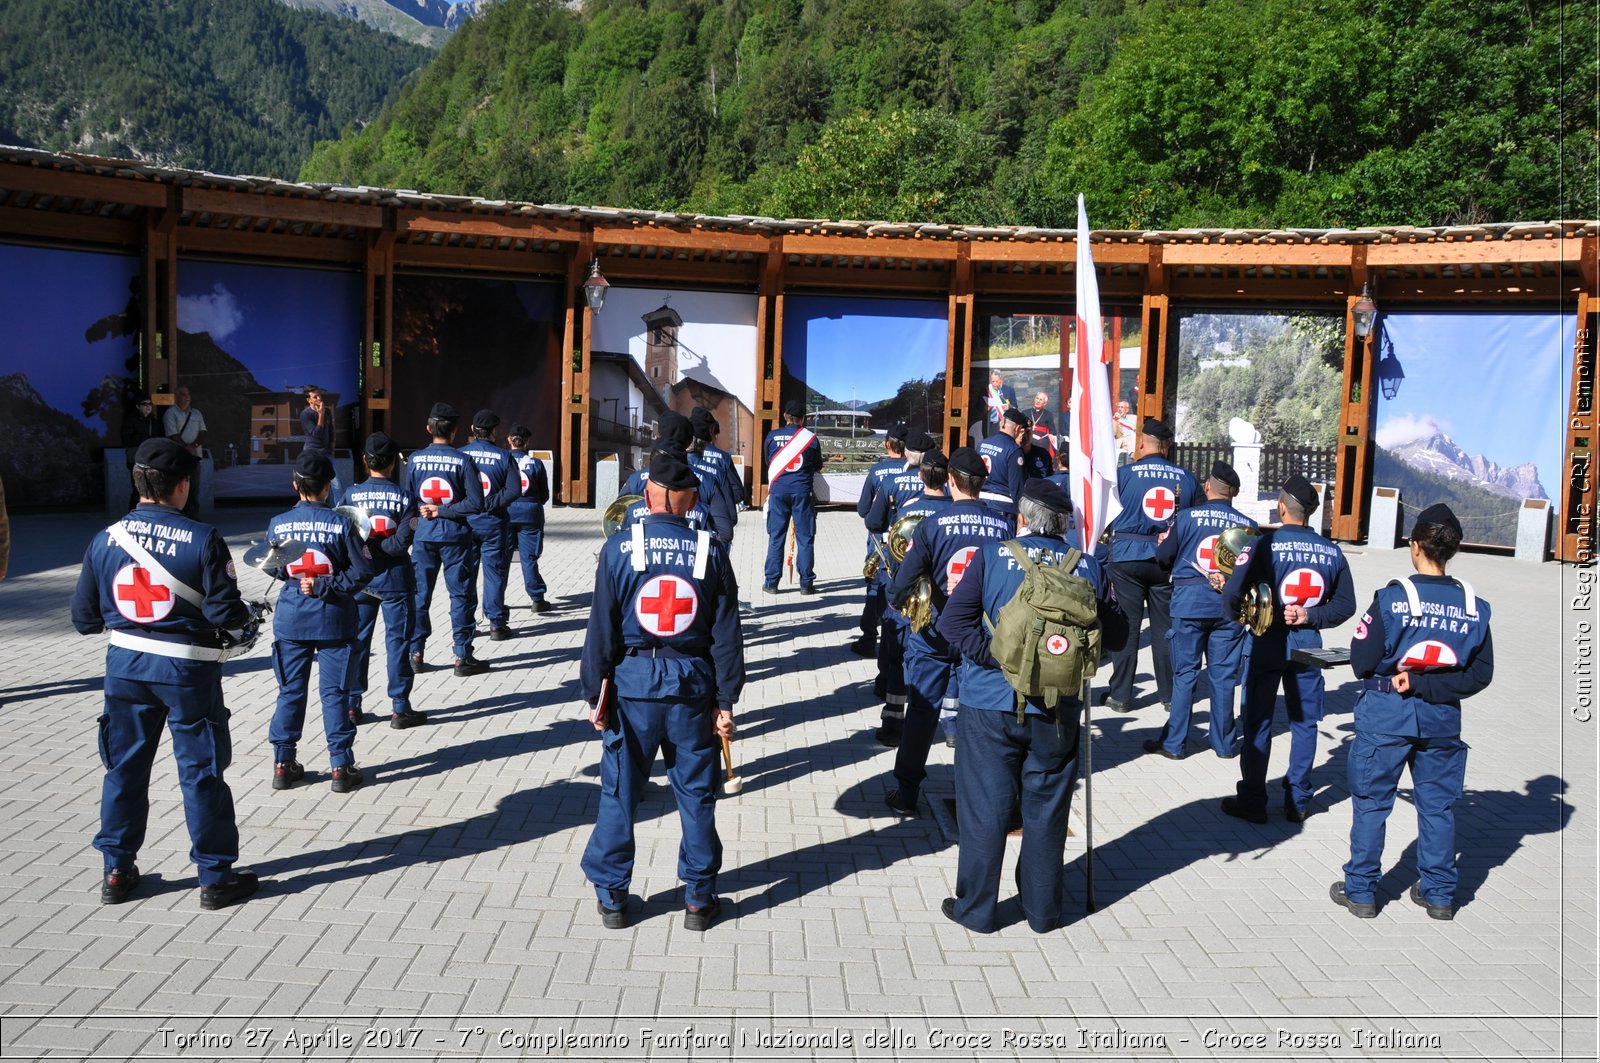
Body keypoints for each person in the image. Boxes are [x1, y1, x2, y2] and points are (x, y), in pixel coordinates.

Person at [70, 438, 259, 909]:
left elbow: (84, 619)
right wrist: (248, 619)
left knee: (124, 769)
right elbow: (226, 615)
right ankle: (214, 879)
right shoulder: (203, 538)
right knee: (202, 772)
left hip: (125, 671)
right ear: (182, 485)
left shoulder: (105, 538)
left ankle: (116, 871)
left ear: (137, 483)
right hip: (187, 673)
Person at [937, 478, 1126, 933]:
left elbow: (951, 622)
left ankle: (978, 911)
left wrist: (999, 658)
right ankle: (1043, 912)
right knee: (1047, 810)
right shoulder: (1089, 566)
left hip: (989, 702)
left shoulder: (991, 556)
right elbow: (1118, 636)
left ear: (1021, 518)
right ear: (1065, 524)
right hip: (1058, 708)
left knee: (985, 809)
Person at [579, 450, 743, 931]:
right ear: (691, 498)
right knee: (696, 793)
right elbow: (727, 635)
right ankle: (698, 897)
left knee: (620, 793)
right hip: (693, 685)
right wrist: (727, 701)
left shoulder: (617, 548)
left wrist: (596, 694)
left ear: (647, 495)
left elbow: (601, 631)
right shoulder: (711, 550)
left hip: (632, 686)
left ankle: (612, 897)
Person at [1332, 504, 1492, 920]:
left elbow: (1362, 661)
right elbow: (1481, 674)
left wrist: (1409, 677)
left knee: (1371, 802)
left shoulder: (1392, 596)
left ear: (1416, 545)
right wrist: (1430, 683)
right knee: (1437, 807)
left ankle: (1362, 891)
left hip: (1387, 712)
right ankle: (1439, 894)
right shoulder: (1474, 605)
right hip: (1442, 717)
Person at [884, 447, 1015, 816]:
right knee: (980, 714)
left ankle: (907, 792)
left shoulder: (931, 526)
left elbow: (903, 583)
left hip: (934, 631)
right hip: (983, 636)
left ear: (952, 481)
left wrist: (896, 602)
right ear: (982, 483)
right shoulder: (1005, 525)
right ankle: (981, 799)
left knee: (923, 711)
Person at [1221, 474, 1355, 825]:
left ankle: (1252, 800)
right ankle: (1297, 800)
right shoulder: (1333, 551)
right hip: (1308, 644)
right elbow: (1346, 605)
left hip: (1266, 641)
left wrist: (1239, 614)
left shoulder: (1264, 544)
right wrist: (1311, 614)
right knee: (1305, 723)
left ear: (1281, 508)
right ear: (1309, 513)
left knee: (1258, 720)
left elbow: (1235, 592)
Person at [265, 450, 374, 793]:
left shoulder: (278, 523)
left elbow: (272, 567)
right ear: (328, 487)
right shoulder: (343, 524)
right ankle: (341, 766)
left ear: (295, 485)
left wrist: (298, 579)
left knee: (290, 691)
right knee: (335, 694)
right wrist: (327, 584)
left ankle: (283, 764)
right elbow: (362, 572)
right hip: (334, 619)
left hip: (292, 618)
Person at [1149, 460, 1256, 759]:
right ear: (1233, 492)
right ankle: (1223, 745)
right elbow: (1253, 571)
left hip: (1189, 604)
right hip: (1228, 607)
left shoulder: (1185, 518)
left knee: (1185, 674)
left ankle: (1174, 745)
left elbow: (1164, 557)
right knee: (1223, 677)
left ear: (1207, 487)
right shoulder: (1246, 525)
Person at [1100, 417, 1198, 714]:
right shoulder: (1186, 478)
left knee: (1128, 626)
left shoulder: (1124, 475)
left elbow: (1106, 512)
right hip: (1166, 560)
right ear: (1166, 447)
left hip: (1128, 556)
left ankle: (1120, 696)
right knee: (1165, 628)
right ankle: (1169, 696)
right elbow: (1194, 519)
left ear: (1142, 443)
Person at [338, 432, 424, 730]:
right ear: (393, 464)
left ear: (365, 460)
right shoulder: (406, 497)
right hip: (395, 580)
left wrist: (366, 552)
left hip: (361, 580)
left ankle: (352, 705)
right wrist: (381, 549)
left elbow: (342, 537)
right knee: (398, 643)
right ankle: (400, 708)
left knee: (357, 642)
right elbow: (401, 544)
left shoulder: (350, 494)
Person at [405, 403, 486, 676]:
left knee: (419, 596)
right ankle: (462, 656)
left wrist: (425, 515)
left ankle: (415, 652)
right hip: (455, 537)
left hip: (424, 537)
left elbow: (408, 502)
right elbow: (477, 503)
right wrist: (445, 510)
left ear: (428, 429)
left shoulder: (414, 460)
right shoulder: (464, 460)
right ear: (455, 431)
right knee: (461, 595)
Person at [459, 410, 522, 642]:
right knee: (494, 573)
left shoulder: (461, 454)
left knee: (466, 573)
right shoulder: (504, 457)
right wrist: (491, 504)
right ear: (494, 431)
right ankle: (496, 624)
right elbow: (514, 489)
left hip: (466, 522)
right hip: (494, 523)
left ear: (473, 430)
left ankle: (466, 623)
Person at [853, 422, 909, 658]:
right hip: (906, 542)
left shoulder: (877, 471)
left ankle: (868, 639)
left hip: (879, 540)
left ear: (887, 444)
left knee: (875, 587)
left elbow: (863, 509)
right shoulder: (914, 472)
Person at [762, 399, 822, 594]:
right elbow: (817, 465)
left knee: (776, 537)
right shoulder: (811, 439)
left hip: (778, 492)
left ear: (785, 416)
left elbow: (768, 462)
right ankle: (806, 584)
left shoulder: (772, 436)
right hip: (802, 492)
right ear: (803, 419)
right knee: (805, 538)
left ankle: (771, 583)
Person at [506, 424, 553, 613]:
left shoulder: (503, 461)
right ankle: (537, 598)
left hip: (506, 513)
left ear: (509, 440)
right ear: (527, 442)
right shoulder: (536, 464)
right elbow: (544, 495)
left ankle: (496, 600)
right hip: (531, 513)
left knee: (500, 559)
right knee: (529, 558)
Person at [689, 409, 741, 550]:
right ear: (711, 431)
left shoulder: (673, 464)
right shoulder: (722, 458)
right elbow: (738, 493)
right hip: (713, 535)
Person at [976, 408, 1029, 526]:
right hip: (1003, 509)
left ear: (1001, 423)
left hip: (979, 504)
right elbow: (1017, 488)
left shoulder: (982, 444)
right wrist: (1021, 513)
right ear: (1017, 429)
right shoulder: (1014, 451)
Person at [163, 386, 207, 517]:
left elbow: (203, 432)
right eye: (183, 394)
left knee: (194, 488)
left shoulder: (196, 413)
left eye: (188, 394)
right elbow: (172, 434)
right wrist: (186, 448)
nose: (187, 397)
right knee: (178, 489)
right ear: (176, 396)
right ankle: (180, 517)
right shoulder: (170, 413)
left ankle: (194, 516)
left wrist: (194, 445)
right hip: (178, 457)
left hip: (195, 457)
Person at [120, 393, 163, 510]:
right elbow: (126, 438)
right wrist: (146, 438)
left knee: (152, 488)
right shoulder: (130, 420)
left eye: (150, 404)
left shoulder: (154, 422)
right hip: (135, 458)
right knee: (138, 488)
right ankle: (133, 514)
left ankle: (147, 514)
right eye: (144, 404)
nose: (148, 406)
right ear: (137, 406)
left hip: (151, 458)